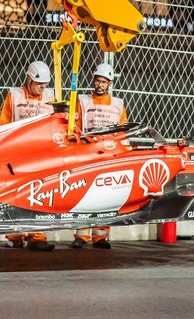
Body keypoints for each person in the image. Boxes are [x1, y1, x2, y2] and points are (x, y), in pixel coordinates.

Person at [0, 60, 56, 250]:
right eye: (39, 83)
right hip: (17, 155)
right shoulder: (14, 96)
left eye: (45, 84)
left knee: (42, 194)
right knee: (15, 195)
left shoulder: (52, 97)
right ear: (29, 79)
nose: (43, 87)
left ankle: (37, 237)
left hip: (41, 155)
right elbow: (3, 124)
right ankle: (15, 236)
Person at [72, 63, 127, 250]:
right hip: (88, 154)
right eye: (97, 81)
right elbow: (76, 127)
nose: (100, 85)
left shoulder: (118, 104)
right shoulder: (83, 101)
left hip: (109, 155)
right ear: (93, 80)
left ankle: (100, 236)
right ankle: (81, 235)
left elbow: (122, 132)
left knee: (107, 197)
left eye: (104, 82)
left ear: (109, 83)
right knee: (84, 196)